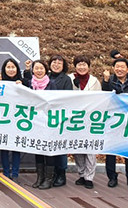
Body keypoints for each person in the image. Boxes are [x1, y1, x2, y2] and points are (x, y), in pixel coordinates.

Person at [101, 58, 128, 190]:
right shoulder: (109, 81)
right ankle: (112, 177)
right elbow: (104, 96)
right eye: (117, 66)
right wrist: (106, 81)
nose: (119, 69)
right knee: (111, 151)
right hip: (112, 121)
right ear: (113, 68)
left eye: (122, 67)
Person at [23, 60, 58, 189]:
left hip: (48, 121)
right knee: (38, 149)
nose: (38, 71)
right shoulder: (29, 84)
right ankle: (40, 177)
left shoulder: (51, 84)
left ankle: (48, 179)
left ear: (46, 70)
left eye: (41, 68)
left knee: (48, 149)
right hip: (35, 122)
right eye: (36, 68)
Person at [68, 55, 101, 189]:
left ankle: (89, 176)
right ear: (75, 66)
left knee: (90, 148)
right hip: (74, 119)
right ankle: (81, 173)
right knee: (77, 147)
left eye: (84, 64)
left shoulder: (94, 81)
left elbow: (100, 99)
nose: (82, 67)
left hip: (90, 119)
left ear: (89, 66)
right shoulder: (69, 79)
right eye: (79, 64)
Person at [47, 54, 73, 187]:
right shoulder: (45, 77)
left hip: (61, 118)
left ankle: (61, 174)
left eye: (59, 63)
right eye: (54, 62)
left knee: (61, 147)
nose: (56, 65)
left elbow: (67, 98)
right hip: (46, 118)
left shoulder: (66, 79)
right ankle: (52, 174)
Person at [0, 59, 23, 180]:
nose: (11, 69)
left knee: (16, 147)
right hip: (3, 119)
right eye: (8, 67)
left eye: (13, 67)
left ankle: (15, 173)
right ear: (4, 69)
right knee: (4, 146)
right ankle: (6, 172)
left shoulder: (22, 82)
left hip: (18, 119)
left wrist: (22, 87)